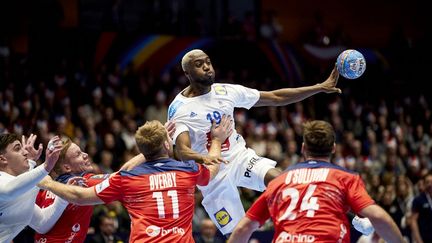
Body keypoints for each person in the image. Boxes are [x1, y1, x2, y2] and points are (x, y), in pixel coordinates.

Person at [168, 49, 341, 236]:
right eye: (199, 64)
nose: (207, 67)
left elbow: (275, 97)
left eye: (208, 61)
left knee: (279, 179)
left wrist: (319, 87)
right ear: (187, 73)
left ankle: (315, 222)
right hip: (212, 176)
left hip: (239, 157)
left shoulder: (226, 91)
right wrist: (211, 152)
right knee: (237, 235)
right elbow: (183, 151)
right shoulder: (180, 108)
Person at [39, 117, 232, 242]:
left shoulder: (127, 179)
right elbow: (212, 168)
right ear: (167, 144)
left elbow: (80, 196)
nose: (85, 155)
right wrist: (216, 140)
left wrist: (45, 180)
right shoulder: (187, 170)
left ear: (142, 150)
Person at [227, 120, 405, 243]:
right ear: (333, 148)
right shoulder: (345, 178)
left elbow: (244, 228)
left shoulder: (279, 181)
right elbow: (378, 216)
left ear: (303, 148)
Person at [34, 121, 176, 243]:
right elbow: (122, 174)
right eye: (78, 154)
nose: (85, 155)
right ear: (67, 167)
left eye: (82, 151)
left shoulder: (45, 190)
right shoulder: (82, 182)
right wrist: (153, 149)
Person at [0, 133, 68, 242]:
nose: (25, 152)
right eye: (17, 149)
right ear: (3, 159)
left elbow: (42, 224)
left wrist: (64, 197)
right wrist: (46, 166)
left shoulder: (22, 192)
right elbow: (9, 191)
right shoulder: (4, 184)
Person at [410, 171, 432, 243]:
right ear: (424, 184)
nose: (430, 184)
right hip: (425, 239)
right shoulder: (418, 200)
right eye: (428, 182)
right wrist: (419, 241)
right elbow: (413, 221)